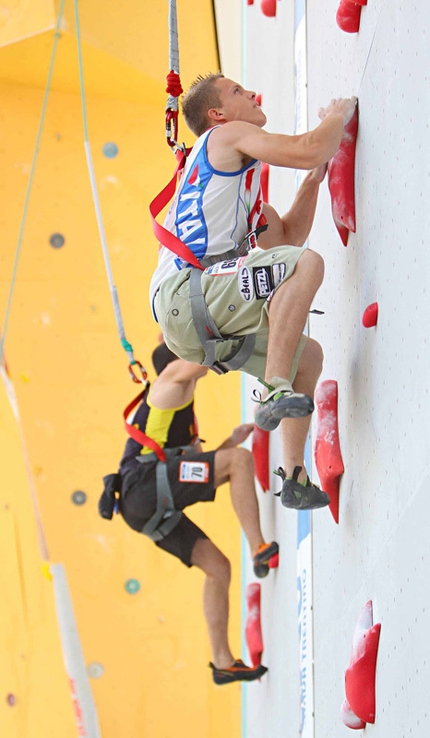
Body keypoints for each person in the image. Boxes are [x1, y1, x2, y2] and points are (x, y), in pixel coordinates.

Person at [149, 74, 357, 510]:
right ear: (217, 114)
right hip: (189, 293)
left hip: (192, 321)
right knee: (309, 266)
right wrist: (337, 118)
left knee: (310, 356)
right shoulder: (225, 136)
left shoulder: (234, 190)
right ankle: (275, 389)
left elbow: (285, 243)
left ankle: (295, 476)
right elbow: (308, 148)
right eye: (237, 92)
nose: (252, 94)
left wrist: (313, 180)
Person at [102, 342, 278, 685]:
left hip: (143, 507)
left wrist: (230, 441)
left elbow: (206, 471)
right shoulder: (168, 382)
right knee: (240, 461)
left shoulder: (183, 417)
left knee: (218, 569)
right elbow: (202, 359)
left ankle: (223, 661)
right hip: (144, 487)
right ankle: (259, 547)